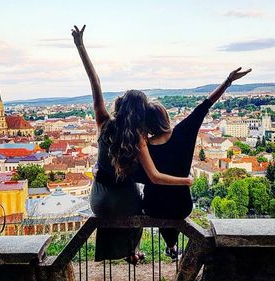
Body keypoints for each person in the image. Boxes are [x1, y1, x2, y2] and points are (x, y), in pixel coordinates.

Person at [72, 25, 193, 264]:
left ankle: (121, 252)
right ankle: (132, 251)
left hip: (99, 200)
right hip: (126, 201)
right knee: (140, 204)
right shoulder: (139, 137)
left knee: (119, 201)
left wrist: (80, 46)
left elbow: (94, 80)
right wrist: (185, 180)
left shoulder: (103, 122)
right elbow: (155, 177)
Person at [139, 67, 251, 260]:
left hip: (153, 206)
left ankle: (168, 247)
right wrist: (228, 81)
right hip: (182, 204)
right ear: (165, 116)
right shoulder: (183, 131)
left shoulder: (143, 145)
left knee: (156, 201)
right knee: (172, 211)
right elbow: (205, 105)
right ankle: (172, 247)